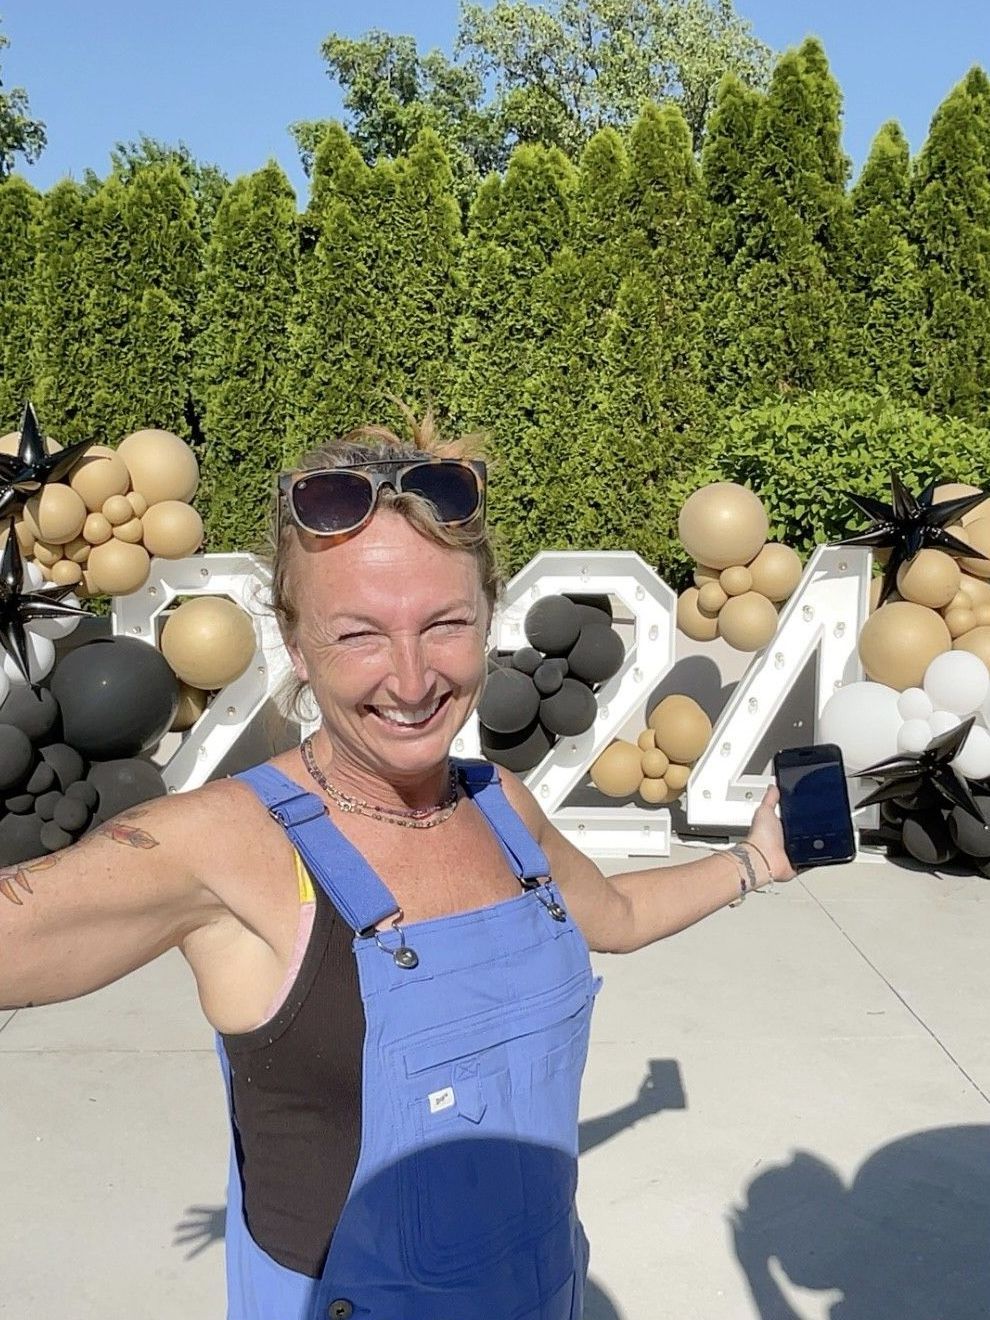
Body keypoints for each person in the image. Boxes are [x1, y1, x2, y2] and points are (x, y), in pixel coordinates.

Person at [0, 412, 796, 1320]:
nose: (412, 680)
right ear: (296, 647)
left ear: (488, 619)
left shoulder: (497, 803)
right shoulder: (228, 841)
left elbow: (610, 912)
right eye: (359, 635)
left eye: (445, 624)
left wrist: (755, 862)